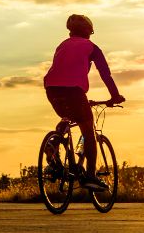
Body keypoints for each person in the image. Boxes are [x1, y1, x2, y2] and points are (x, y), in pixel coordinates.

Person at [43, 14, 124, 192]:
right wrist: (115, 95)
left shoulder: (62, 45)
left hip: (51, 89)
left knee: (67, 117)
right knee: (88, 130)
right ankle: (90, 176)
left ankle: (54, 146)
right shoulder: (92, 47)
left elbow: (62, 69)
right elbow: (105, 74)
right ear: (89, 31)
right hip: (74, 90)